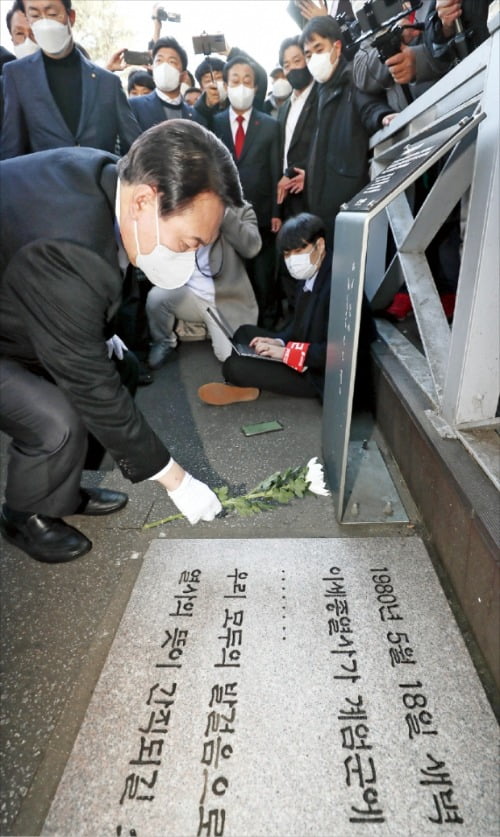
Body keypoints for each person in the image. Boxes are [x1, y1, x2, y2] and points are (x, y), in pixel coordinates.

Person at [0, 120, 243, 564]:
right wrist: (176, 479)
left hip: (18, 305)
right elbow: (88, 383)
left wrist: (103, 336)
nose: (189, 261)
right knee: (58, 419)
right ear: (147, 200)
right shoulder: (66, 247)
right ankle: (23, 513)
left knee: (123, 366)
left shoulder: (116, 180)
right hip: (11, 322)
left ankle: (60, 488)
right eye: (187, 243)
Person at [199, 213, 332, 404]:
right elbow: (298, 324)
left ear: (319, 245)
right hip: (303, 351)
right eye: (287, 254)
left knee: (234, 367)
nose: (292, 260)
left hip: (318, 373)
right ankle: (248, 384)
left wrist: (285, 352)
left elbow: (336, 353)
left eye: (298, 251)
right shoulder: (313, 272)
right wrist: (278, 341)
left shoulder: (337, 285)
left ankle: (245, 383)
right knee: (244, 334)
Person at [294, 16, 392, 247]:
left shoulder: (352, 78)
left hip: (350, 198)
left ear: (336, 47)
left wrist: (382, 116)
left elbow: (368, 106)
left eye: (319, 49)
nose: (313, 58)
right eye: (308, 54)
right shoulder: (317, 93)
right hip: (322, 203)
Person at [0, 0, 141, 159]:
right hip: (43, 182)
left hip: (99, 182)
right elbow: (11, 153)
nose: (44, 24)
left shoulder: (108, 82)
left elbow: (135, 149)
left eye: (52, 14)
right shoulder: (17, 75)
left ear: (71, 17)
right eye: (35, 15)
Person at [211, 56, 282, 328]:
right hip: (226, 213)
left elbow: (276, 172)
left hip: (262, 212)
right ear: (226, 86)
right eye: (235, 81)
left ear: (255, 87)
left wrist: (277, 211)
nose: (241, 86)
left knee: (263, 275)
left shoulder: (269, 125)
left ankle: (267, 324)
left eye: (247, 81)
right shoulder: (214, 122)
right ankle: (235, 326)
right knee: (230, 275)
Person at [146, 202, 261, 368]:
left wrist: (224, 212)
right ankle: (164, 341)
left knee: (229, 357)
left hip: (225, 299)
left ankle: (208, 329)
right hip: (189, 295)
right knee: (157, 297)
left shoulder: (238, 208)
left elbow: (252, 248)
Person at [275, 36, 318, 317]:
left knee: (313, 260)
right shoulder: (283, 109)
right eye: (286, 65)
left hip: (312, 193)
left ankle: (314, 322)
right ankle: (296, 321)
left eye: (297, 61)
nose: (292, 68)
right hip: (286, 197)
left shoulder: (322, 96)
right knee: (290, 262)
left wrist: (311, 175)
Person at [129, 36, 206, 130]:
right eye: (159, 60)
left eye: (172, 62)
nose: (164, 66)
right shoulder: (134, 106)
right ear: (153, 70)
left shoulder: (195, 116)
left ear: (183, 76)